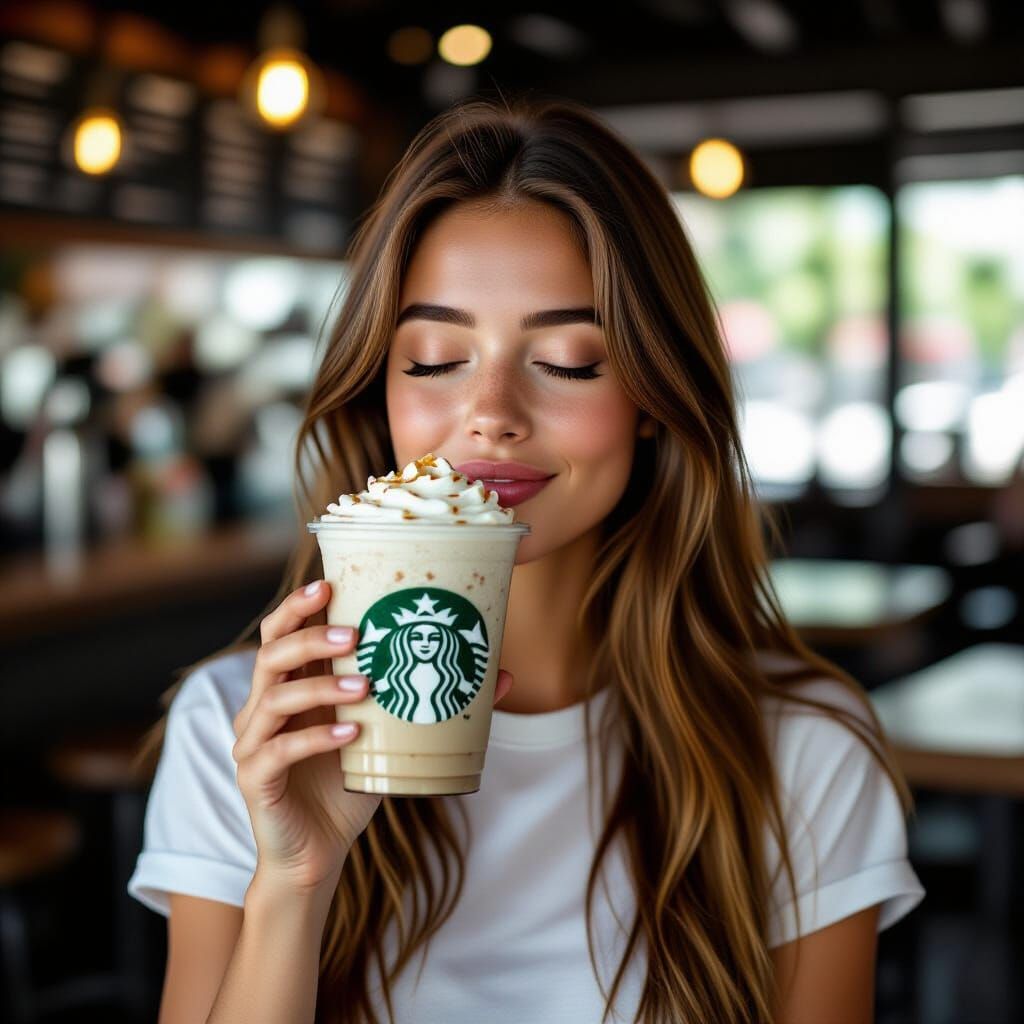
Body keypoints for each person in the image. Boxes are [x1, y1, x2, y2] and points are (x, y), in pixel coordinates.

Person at [127, 94, 925, 1024]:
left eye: (571, 361)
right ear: (378, 394)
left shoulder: (804, 753)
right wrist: (294, 882)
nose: (493, 410)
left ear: (655, 396)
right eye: (432, 360)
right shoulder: (246, 734)